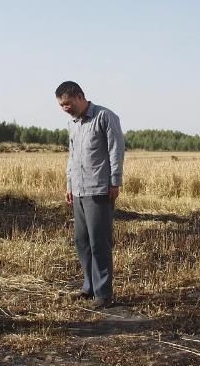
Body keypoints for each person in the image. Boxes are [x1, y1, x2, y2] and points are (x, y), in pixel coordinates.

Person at [55, 81, 124, 309]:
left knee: (99, 242)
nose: (65, 108)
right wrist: (69, 184)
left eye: (67, 103)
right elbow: (72, 156)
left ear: (80, 96)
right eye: (61, 106)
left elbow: (116, 150)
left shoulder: (105, 117)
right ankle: (89, 287)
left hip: (99, 189)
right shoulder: (73, 124)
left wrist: (115, 181)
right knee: (82, 241)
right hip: (79, 190)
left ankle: (103, 294)